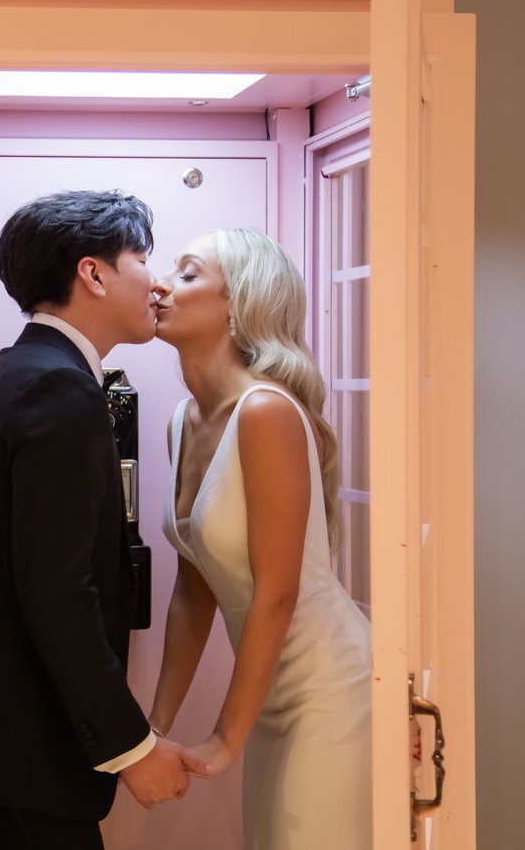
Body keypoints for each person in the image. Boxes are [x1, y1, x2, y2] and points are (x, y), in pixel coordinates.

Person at [0, 190, 208, 850]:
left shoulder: (13, 375)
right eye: (142, 257)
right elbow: (57, 589)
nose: (157, 280)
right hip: (22, 758)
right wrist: (130, 748)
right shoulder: (59, 388)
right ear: (93, 273)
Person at [148, 228, 372, 848]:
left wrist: (226, 737)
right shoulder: (182, 420)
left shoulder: (266, 411)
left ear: (236, 305)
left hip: (328, 691)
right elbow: (194, 596)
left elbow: (277, 590)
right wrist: (154, 729)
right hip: (269, 696)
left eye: (188, 274)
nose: (160, 285)